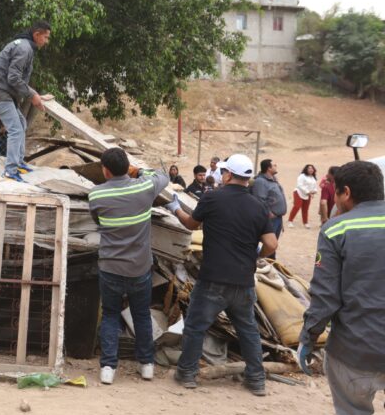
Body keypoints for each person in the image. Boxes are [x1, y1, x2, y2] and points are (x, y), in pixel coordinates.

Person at [164, 154, 278, 396]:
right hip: (243, 281)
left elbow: (191, 225)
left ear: (227, 174)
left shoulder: (212, 198)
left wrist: (174, 207)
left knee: (196, 327)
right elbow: (271, 243)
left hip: (213, 279)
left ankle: (187, 374)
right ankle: (256, 380)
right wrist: (256, 256)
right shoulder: (258, 206)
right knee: (248, 330)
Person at [297, 161, 385, 415]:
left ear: (345, 192)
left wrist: (308, 338)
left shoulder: (336, 229)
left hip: (354, 350)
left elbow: (326, 297)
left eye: (336, 192)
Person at [88, 148, 169, 385]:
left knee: (111, 315)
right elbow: (163, 175)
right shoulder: (144, 187)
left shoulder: (96, 195)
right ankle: (147, 366)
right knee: (141, 315)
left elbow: (98, 221)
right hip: (140, 268)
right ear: (128, 168)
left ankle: (108, 369)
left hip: (111, 267)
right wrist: (140, 170)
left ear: (105, 170)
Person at [0, 20, 52, 182]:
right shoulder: (24, 49)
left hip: (3, 92)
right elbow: (13, 78)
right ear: (37, 34)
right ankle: (10, 170)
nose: (46, 42)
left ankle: (18, 163)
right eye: (46, 37)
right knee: (15, 129)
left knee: (21, 124)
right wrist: (32, 95)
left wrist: (36, 95)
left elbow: (16, 79)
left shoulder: (24, 46)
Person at [252, 158, 288, 247]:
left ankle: (270, 260)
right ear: (269, 168)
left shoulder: (273, 179)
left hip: (278, 218)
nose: (276, 166)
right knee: (269, 245)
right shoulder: (261, 181)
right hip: (270, 219)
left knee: (273, 245)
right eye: (274, 165)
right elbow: (259, 200)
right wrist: (268, 213)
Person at [287, 164, 319, 229]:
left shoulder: (313, 178)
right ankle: (290, 221)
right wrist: (308, 192)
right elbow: (300, 185)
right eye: (309, 168)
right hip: (299, 193)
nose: (311, 170)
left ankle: (305, 222)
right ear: (306, 169)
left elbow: (315, 187)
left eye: (312, 168)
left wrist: (314, 191)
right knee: (297, 206)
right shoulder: (302, 176)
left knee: (305, 209)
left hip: (308, 195)